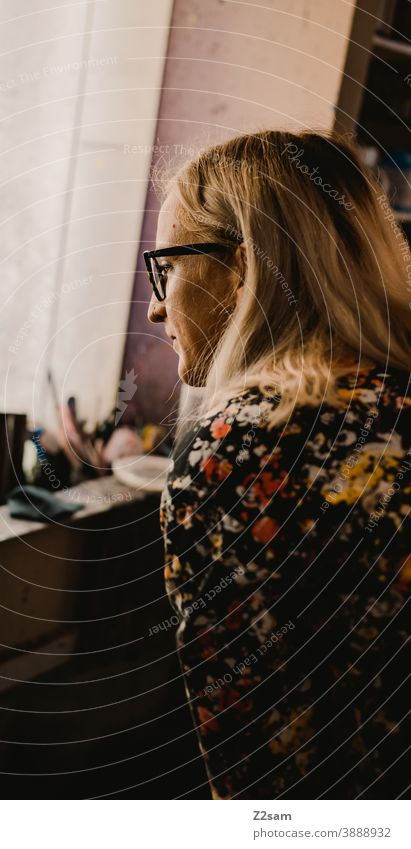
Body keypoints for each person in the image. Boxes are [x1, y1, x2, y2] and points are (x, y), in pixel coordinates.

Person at [145, 129, 410, 799]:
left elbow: (257, 762)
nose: (155, 306)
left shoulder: (241, 454)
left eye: (166, 267)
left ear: (238, 273)